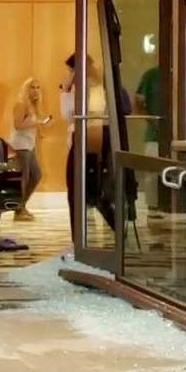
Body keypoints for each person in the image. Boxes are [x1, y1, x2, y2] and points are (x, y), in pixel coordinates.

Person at [59, 53, 115, 245]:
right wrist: (66, 90)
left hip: (93, 140)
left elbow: (87, 113)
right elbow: (67, 115)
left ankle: (112, 228)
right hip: (83, 139)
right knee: (79, 192)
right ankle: (79, 238)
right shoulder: (77, 88)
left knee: (92, 191)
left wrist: (69, 91)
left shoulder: (98, 87)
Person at [9, 78, 52, 221]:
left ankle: (21, 206)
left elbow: (31, 124)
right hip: (20, 145)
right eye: (32, 87)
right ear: (26, 89)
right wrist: (37, 122)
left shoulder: (34, 106)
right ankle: (19, 210)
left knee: (36, 175)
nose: (35, 90)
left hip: (29, 146)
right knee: (24, 178)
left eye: (38, 87)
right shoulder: (22, 105)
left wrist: (40, 128)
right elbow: (17, 125)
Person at [135, 66, 162, 212]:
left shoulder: (185, 71)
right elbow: (138, 102)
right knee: (152, 174)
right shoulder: (151, 75)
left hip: (180, 134)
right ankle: (153, 206)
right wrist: (152, 120)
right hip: (154, 135)